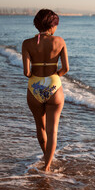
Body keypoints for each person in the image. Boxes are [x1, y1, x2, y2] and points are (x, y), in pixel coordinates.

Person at [22, 9, 69, 172]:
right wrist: (55, 76)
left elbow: (26, 72)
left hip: (35, 86)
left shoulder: (27, 43)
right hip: (54, 85)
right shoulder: (59, 41)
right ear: (52, 25)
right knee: (52, 129)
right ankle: (47, 165)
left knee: (40, 127)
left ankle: (45, 155)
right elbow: (66, 68)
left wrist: (37, 76)